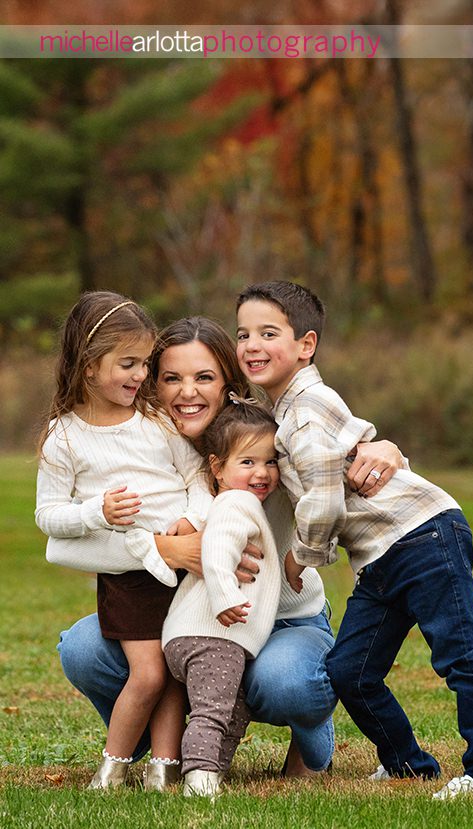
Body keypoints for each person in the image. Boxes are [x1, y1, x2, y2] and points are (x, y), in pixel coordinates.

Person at [48, 315, 406, 778]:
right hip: (183, 624)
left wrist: (386, 450)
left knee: (284, 681)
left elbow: (334, 461)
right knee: (82, 648)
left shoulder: (267, 442)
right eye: (171, 378)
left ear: (228, 385)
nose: (187, 392)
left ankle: (311, 726)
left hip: (280, 621)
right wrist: (170, 550)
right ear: (152, 384)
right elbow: (63, 549)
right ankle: (154, 742)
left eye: (204, 377)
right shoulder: (144, 448)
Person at [235, 281, 473, 799]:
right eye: (243, 334)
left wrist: (299, 559)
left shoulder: (305, 410)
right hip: (380, 556)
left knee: (460, 656)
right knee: (350, 670)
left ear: (306, 344)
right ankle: (407, 764)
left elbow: (323, 500)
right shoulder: (283, 412)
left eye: (268, 333)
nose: (252, 345)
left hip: (423, 535)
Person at [35, 292, 211, 791]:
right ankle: (112, 767)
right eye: (127, 364)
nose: (140, 375)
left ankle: (165, 767)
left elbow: (197, 475)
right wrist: (96, 512)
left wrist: (191, 519)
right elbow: (48, 516)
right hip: (130, 578)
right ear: (89, 366)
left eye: (145, 363)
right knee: (149, 673)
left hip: (183, 568)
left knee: (173, 672)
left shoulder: (156, 420)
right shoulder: (64, 437)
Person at [162, 397, 287, 797]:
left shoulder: (237, 501)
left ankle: (213, 769)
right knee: (213, 711)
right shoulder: (237, 502)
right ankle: (198, 777)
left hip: (205, 637)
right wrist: (225, 596)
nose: (262, 472)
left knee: (235, 709)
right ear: (217, 468)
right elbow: (216, 548)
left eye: (270, 461)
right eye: (247, 462)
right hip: (212, 634)